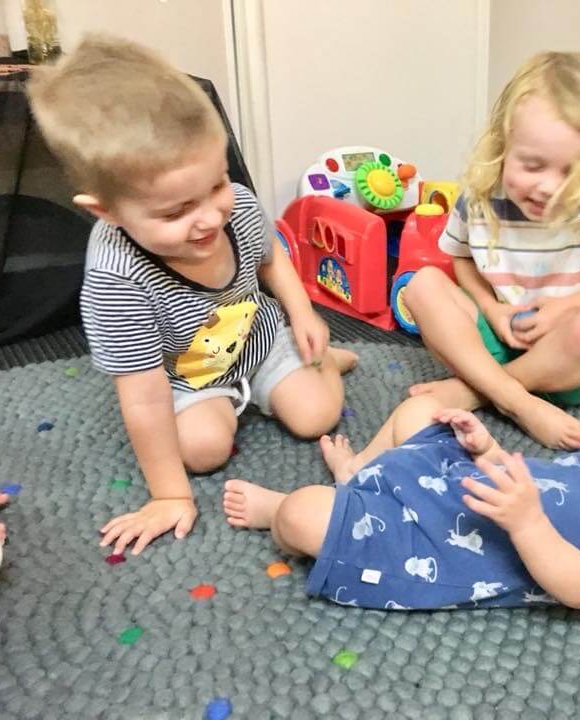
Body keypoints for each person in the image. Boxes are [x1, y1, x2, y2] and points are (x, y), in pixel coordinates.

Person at [27, 35, 357, 556]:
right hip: (186, 375)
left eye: (217, 184)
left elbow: (271, 257)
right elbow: (143, 395)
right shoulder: (116, 280)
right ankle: (267, 388)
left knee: (317, 416)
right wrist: (169, 495)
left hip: (258, 338)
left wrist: (302, 312)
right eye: (174, 212)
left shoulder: (236, 206)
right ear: (106, 212)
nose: (209, 216)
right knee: (201, 450)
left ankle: (324, 362)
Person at [222, 395, 580, 614]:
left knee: (301, 513)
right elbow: (521, 477)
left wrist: (529, 521)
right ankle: (357, 474)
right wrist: (485, 447)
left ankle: (287, 511)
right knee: (422, 412)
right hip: (452, 482)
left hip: (433, 544)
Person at [402, 52, 580, 451]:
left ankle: (479, 392)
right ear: (504, 146)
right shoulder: (482, 194)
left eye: (571, 171)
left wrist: (567, 308)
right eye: (532, 165)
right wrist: (490, 308)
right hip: (501, 340)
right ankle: (516, 400)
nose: (548, 187)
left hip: (573, 362)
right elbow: (462, 258)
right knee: (422, 286)